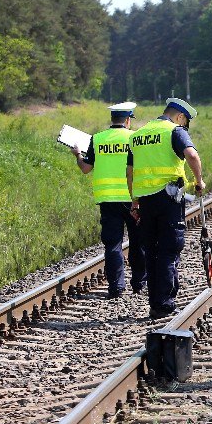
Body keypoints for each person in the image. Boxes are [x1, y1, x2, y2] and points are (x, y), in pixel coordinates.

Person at [126, 98, 206, 319]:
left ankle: (155, 304)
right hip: (169, 200)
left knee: (151, 252)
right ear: (180, 117)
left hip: (146, 202)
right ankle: (165, 305)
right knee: (169, 251)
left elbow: (130, 173)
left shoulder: (137, 136)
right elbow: (191, 155)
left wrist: (134, 202)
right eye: (185, 122)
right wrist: (199, 180)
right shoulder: (174, 131)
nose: (184, 126)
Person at [71, 101, 146, 299]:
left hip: (108, 200)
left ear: (112, 119)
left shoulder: (97, 139)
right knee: (138, 242)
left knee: (113, 244)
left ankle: (116, 287)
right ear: (128, 120)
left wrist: (78, 154)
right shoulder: (134, 138)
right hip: (133, 199)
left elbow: (86, 168)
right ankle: (139, 283)